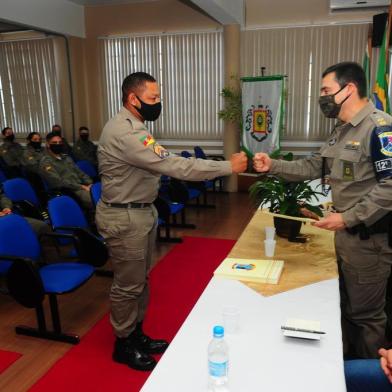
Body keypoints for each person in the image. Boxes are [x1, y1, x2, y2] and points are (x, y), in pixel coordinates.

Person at [95, 71, 247, 371]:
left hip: (139, 211)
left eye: (158, 98)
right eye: (153, 98)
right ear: (132, 98)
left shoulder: (136, 126)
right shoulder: (127, 132)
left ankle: (136, 334)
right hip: (125, 216)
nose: (158, 103)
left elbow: (162, 158)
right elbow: (173, 164)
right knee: (128, 285)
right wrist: (227, 166)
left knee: (141, 278)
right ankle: (123, 343)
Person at [253, 62, 392, 359]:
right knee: (346, 308)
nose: (322, 97)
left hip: (368, 240)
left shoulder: (380, 128)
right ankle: (347, 368)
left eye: (326, 90)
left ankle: (371, 376)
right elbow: (314, 165)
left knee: (366, 316)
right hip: (345, 236)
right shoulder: (341, 130)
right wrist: (273, 165)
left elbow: (390, 185)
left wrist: (347, 217)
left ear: (349, 89)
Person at [39, 132, 93, 210]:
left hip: (82, 186)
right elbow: (58, 182)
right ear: (48, 144)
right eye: (54, 143)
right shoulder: (46, 163)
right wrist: (82, 187)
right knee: (98, 200)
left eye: (60, 142)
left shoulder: (67, 158)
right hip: (70, 191)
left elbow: (80, 172)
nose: (58, 144)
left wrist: (90, 183)